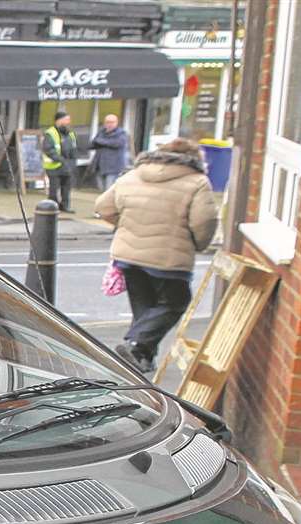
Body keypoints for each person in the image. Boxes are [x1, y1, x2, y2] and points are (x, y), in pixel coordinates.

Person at [94, 137, 220, 373]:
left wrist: (126, 225)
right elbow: (205, 221)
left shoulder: (133, 175)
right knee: (175, 303)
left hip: (128, 256)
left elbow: (103, 207)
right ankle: (135, 345)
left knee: (145, 308)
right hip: (169, 260)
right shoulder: (197, 182)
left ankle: (141, 357)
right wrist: (198, 244)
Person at [42, 110, 79, 212]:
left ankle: (65, 206)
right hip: (54, 166)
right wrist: (60, 159)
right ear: (59, 121)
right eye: (66, 120)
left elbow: (74, 148)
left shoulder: (71, 133)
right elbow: (48, 149)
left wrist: (73, 161)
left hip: (68, 165)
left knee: (66, 188)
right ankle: (52, 207)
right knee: (54, 189)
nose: (69, 122)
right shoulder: (50, 133)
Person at [90, 113, 130, 194]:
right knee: (102, 190)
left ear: (117, 123)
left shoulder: (121, 133)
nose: (110, 124)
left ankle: (110, 206)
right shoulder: (101, 132)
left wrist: (101, 142)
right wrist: (99, 142)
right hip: (100, 166)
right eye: (108, 122)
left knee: (109, 191)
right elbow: (93, 143)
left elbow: (116, 143)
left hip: (113, 168)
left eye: (112, 122)